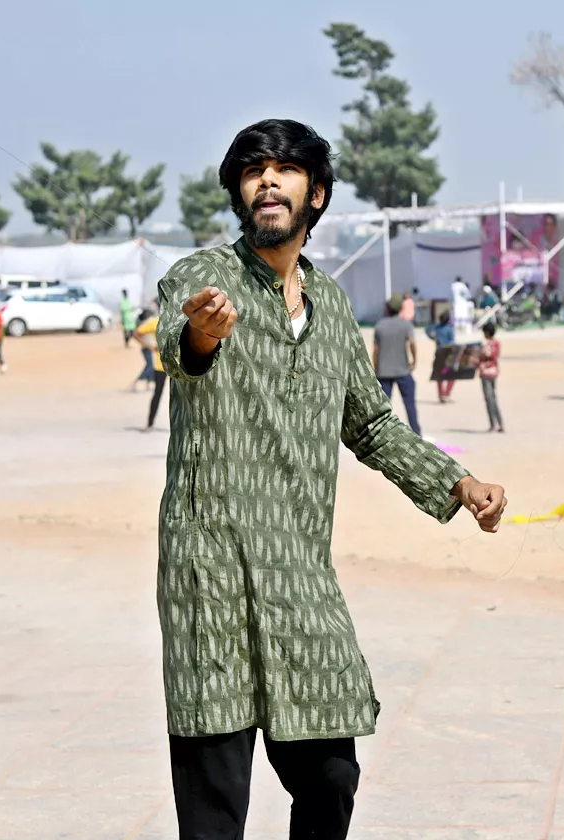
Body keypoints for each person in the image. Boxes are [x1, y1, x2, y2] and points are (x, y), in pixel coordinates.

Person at [153, 118, 507, 840]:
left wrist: (457, 482)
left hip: (297, 570)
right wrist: (203, 334)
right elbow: (178, 348)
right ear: (239, 193)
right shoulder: (200, 280)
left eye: (285, 170)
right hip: (210, 570)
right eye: (254, 172)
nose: (268, 182)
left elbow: (369, 425)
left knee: (331, 775)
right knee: (215, 799)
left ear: (315, 195)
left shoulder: (334, 307)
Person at [374, 293, 420, 434]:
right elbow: (412, 343)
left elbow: (376, 351)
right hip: (403, 370)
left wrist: (376, 369)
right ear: (401, 308)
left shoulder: (380, 326)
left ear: (387, 307)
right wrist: (414, 360)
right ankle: (417, 433)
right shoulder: (406, 325)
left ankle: (380, 434)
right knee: (410, 406)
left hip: (384, 371)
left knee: (383, 408)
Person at [134, 308, 164, 430]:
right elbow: (137, 333)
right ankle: (150, 422)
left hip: (177, 364)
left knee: (164, 394)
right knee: (158, 393)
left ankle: (150, 423)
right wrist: (151, 347)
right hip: (161, 365)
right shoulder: (157, 322)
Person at [425, 310, 457, 402]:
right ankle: (446, 394)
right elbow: (452, 341)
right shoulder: (450, 329)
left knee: (440, 375)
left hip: (439, 353)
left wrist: (433, 338)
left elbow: (427, 330)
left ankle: (440, 395)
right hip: (448, 354)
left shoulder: (437, 328)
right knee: (450, 374)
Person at [478, 322, 504, 432]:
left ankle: (493, 424)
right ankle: (500, 423)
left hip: (486, 373)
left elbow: (486, 357)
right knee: (493, 398)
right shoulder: (497, 343)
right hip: (494, 373)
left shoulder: (487, 345)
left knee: (489, 399)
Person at [131, 300, 159, 391]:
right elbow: (136, 335)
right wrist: (150, 346)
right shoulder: (150, 323)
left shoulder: (146, 322)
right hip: (148, 348)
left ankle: (149, 383)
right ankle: (138, 381)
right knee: (150, 366)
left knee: (151, 365)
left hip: (147, 348)